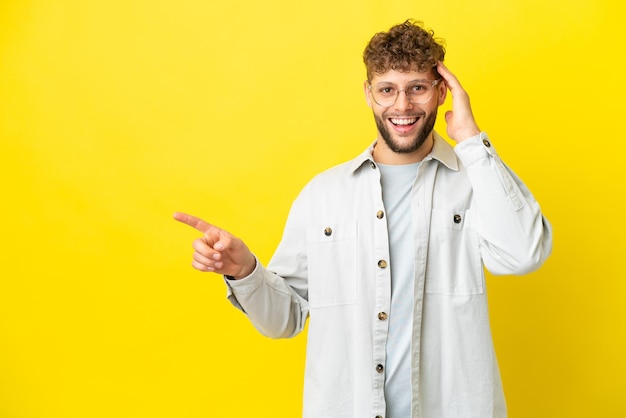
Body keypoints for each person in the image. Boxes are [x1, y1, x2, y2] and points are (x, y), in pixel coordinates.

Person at [174, 19, 552, 418]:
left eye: (417, 88)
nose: (402, 106)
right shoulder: (323, 195)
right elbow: (283, 320)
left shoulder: (475, 182)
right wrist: (245, 271)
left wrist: (472, 139)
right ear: (369, 95)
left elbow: (524, 254)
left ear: (442, 92)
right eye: (387, 90)